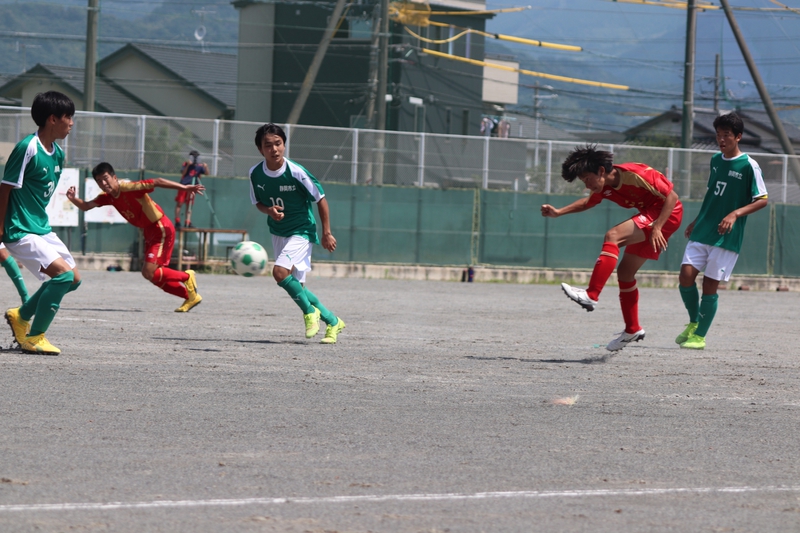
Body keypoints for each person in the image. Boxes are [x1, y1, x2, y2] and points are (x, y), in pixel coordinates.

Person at [541, 145, 683, 351]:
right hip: (651, 216)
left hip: (666, 214)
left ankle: (591, 295)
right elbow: (586, 203)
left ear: (601, 171)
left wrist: (657, 227)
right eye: (583, 181)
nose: (587, 185)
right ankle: (633, 328)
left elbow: (672, 197)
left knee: (613, 236)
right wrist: (558, 212)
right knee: (625, 273)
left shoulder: (636, 174)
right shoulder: (604, 187)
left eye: (587, 179)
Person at [676, 112, 768, 350]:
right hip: (704, 229)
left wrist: (735, 214)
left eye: (726, 135)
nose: (721, 139)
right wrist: (697, 219)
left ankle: (700, 336)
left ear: (738, 137)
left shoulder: (749, 165)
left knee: (709, 285)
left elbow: (762, 199)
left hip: (726, 237)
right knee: (686, 276)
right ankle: (694, 322)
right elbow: (712, 195)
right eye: (718, 135)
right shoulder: (716, 160)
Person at [249, 123, 345, 344]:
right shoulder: (255, 173)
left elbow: (320, 198)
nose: (274, 149)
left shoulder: (296, 172)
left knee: (279, 273)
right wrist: (269, 211)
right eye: (268, 145)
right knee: (298, 286)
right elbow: (258, 203)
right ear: (260, 149)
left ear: (284, 145)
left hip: (301, 231)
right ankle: (333, 321)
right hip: (278, 232)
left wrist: (326, 233)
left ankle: (310, 314)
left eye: (278, 143)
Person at [1, 91, 81, 355]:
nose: (71, 122)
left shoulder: (58, 153)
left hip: (40, 228)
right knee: (63, 275)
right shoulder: (28, 148)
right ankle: (35, 337)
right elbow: (5, 190)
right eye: (67, 117)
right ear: (52, 119)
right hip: (19, 229)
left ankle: (21, 315)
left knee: (73, 279)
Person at [66, 162, 205, 313]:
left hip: (160, 228)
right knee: (151, 275)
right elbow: (86, 206)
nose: (104, 183)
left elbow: (157, 182)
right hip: (148, 231)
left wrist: (185, 188)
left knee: (149, 271)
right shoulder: (107, 196)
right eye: (99, 181)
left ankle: (186, 276)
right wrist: (73, 199)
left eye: (106, 178)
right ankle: (189, 296)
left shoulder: (129, 188)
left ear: (114, 177)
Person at [174, 150, 208, 230]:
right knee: (180, 203)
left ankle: (188, 221)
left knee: (189, 204)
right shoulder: (186, 164)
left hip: (192, 187)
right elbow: (183, 173)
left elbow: (206, 173)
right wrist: (188, 166)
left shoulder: (199, 166)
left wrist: (206, 167)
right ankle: (177, 221)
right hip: (183, 186)